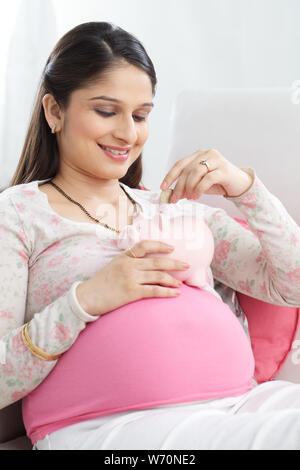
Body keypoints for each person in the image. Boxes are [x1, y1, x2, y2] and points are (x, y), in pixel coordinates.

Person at [0, 22, 300, 451]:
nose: (128, 133)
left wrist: (246, 189)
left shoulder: (173, 207)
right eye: (107, 111)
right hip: (110, 427)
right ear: (54, 111)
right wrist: (84, 301)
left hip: (240, 403)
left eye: (141, 115)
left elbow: (292, 284)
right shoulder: (18, 213)